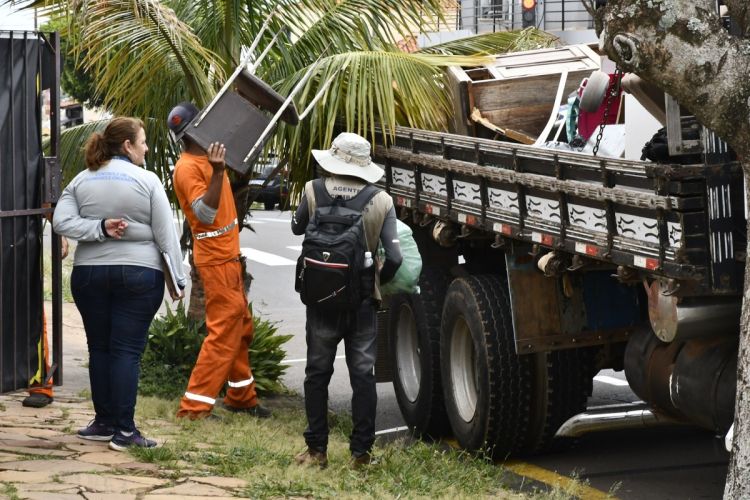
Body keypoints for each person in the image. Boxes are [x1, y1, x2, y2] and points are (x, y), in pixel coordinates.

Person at [53, 117, 186, 451]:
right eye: (143, 142)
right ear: (127, 145)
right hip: (139, 275)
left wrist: (98, 228)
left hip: (89, 274)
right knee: (126, 351)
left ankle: (103, 422)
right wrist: (177, 279)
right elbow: (165, 234)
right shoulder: (148, 180)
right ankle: (125, 432)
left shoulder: (82, 181)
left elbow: (61, 221)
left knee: (99, 348)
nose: (146, 148)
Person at [291, 132, 402, 469]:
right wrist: (370, 283)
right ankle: (361, 455)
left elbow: (298, 228)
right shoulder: (381, 200)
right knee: (363, 376)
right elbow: (395, 258)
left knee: (317, 372)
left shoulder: (313, 190)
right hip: (363, 304)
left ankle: (316, 451)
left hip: (321, 302)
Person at [167, 102, 270, 420]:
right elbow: (205, 213)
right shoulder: (188, 168)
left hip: (226, 256)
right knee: (224, 332)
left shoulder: (206, 158)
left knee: (239, 327)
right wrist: (219, 172)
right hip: (216, 260)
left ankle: (241, 397)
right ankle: (194, 408)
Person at [22, 237, 69, 408]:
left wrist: (60, 235)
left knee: (29, 316)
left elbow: (45, 209)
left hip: (18, 245)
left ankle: (40, 385)